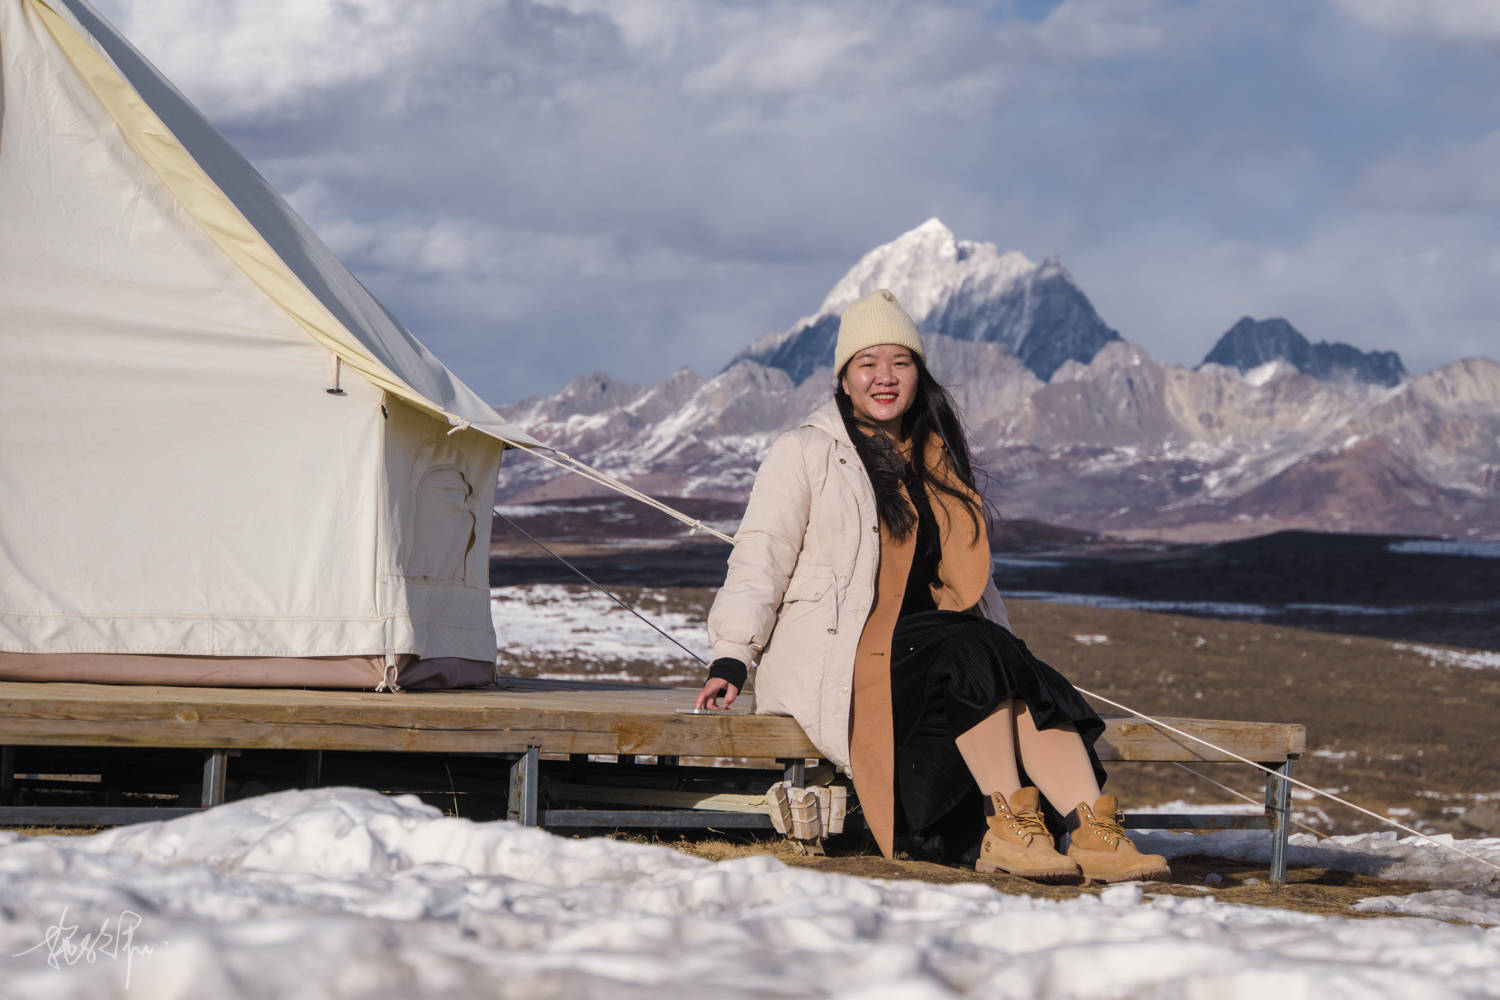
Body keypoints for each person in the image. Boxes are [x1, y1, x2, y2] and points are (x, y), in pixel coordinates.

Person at [694, 288, 1169, 884]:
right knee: (976, 653)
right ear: (844, 380)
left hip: (932, 647)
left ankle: (1094, 833)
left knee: (1024, 671)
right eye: (867, 364)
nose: (884, 377)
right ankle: (1008, 830)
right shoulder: (806, 452)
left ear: (919, 373)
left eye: (901, 362)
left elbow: (972, 580)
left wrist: (1010, 657)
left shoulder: (936, 456)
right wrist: (733, 656)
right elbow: (761, 556)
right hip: (846, 653)